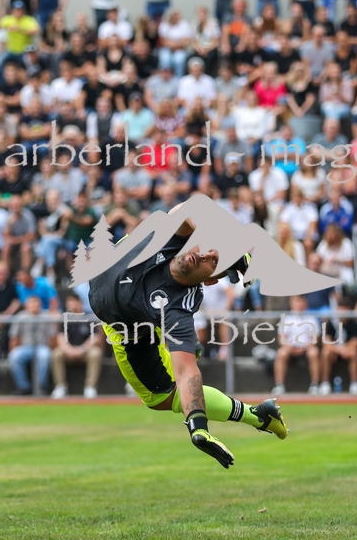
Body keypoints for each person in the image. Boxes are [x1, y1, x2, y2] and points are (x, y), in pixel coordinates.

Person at [87, 198, 287, 469]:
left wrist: (198, 427)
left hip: (128, 328)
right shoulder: (173, 236)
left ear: (211, 279)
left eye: (214, 261)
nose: (204, 254)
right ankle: (257, 415)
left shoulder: (180, 307)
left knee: (161, 398)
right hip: (112, 294)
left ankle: (256, 415)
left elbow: (187, 373)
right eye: (208, 246)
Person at [51, 293, 104, 399]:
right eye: (70, 302)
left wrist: (82, 349)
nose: (73, 305)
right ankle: (60, 387)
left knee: (96, 353)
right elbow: (60, 337)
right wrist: (69, 350)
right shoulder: (64, 317)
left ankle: (90, 387)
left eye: (75, 301)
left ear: (80, 303)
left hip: (85, 351)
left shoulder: (89, 316)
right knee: (56, 354)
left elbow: (95, 337)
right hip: (68, 351)